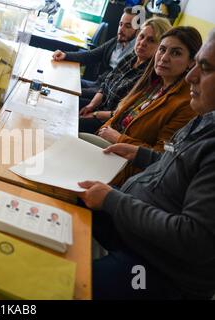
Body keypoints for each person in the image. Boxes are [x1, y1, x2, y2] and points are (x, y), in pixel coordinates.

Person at [77, 29, 215, 300]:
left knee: (69, 285)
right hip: (131, 229)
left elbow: (193, 238)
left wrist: (112, 201)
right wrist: (140, 154)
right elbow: (182, 163)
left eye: (206, 68)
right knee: (61, 199)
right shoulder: (206, 117)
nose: (191, 77)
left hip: (159, 268)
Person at [84, 26, 202, 185]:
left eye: (176, 53)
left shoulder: (186, 104)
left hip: (126, 170)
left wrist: (118, 138)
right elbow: (116, 118)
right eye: (162, 49)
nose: (164, 57)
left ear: (191, 63)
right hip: (109, 151)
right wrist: (103, 131)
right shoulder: (153, 83)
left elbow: (161, 156)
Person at [79, 17, 172, 134]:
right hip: (100, 106)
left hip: (111, 122)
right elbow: (105, 84)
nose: (142, 43)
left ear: (161, 47)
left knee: (74, 122)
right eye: (142, 37)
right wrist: (91, 105)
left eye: (151, 40)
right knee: (69, 102)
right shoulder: (131, 57)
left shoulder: (151, 75)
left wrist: (95, 114)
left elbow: (124, 113)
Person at [52, 7, 138, 107]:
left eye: (128, 26)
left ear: (138, 30)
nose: (121, 29)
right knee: (61, 82)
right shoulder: (116, 41)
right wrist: (66, 55)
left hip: (105, 92)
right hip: (97, 83)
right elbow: (91, 55)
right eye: (120, 24)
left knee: (66, 94)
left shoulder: (137, 54)